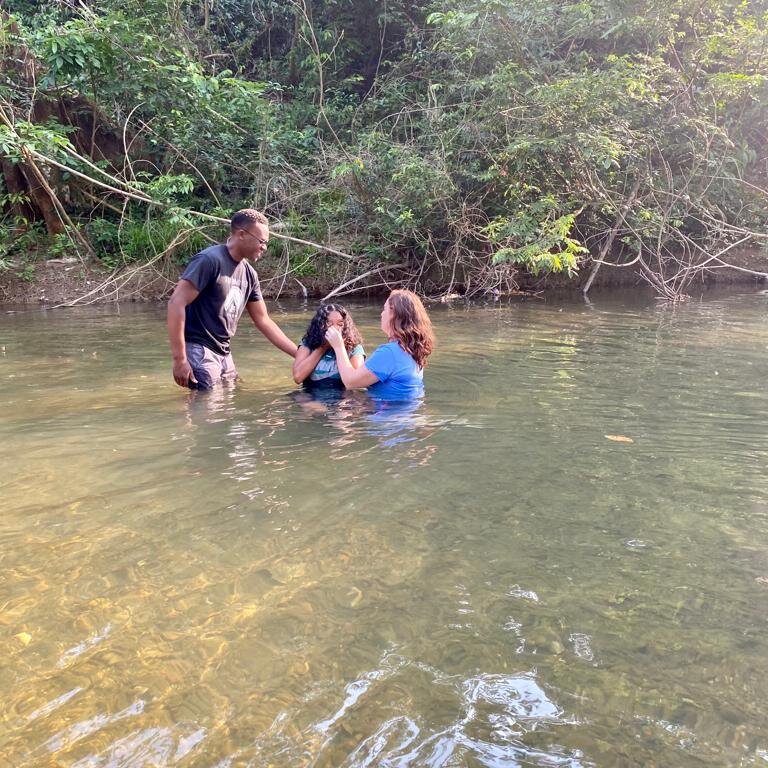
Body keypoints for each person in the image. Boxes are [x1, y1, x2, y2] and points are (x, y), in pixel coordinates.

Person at [167, 209, 297, 389]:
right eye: (261, 241)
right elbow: (176, 303)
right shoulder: (209, 260)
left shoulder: (250, 275)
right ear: (242, 234)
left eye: (266, 243)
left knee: (228, 403)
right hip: (200, 350)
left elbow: (263, 320)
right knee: (208, 407)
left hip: (225, 353)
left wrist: (300, 354)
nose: (264, 247)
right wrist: (180, 359)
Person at [324, 289, 434, 399]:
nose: (381, 314)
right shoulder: (412, 349)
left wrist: (338, 346)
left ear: (394, 315)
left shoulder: (389, 353)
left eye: (384, 309)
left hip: (387, 414)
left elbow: (350, 382)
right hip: (404, 412)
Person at [292, 304, 366, 388]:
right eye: (329, 323)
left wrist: (339, 346)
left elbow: (356, 384)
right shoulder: (308, 343)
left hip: (342, 397)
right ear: (319, 326)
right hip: (310, 395)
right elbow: (298, 378)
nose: (334, 329)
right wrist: (323, 347)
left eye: (340, 324)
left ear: (345, 327)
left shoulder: (354, 347)